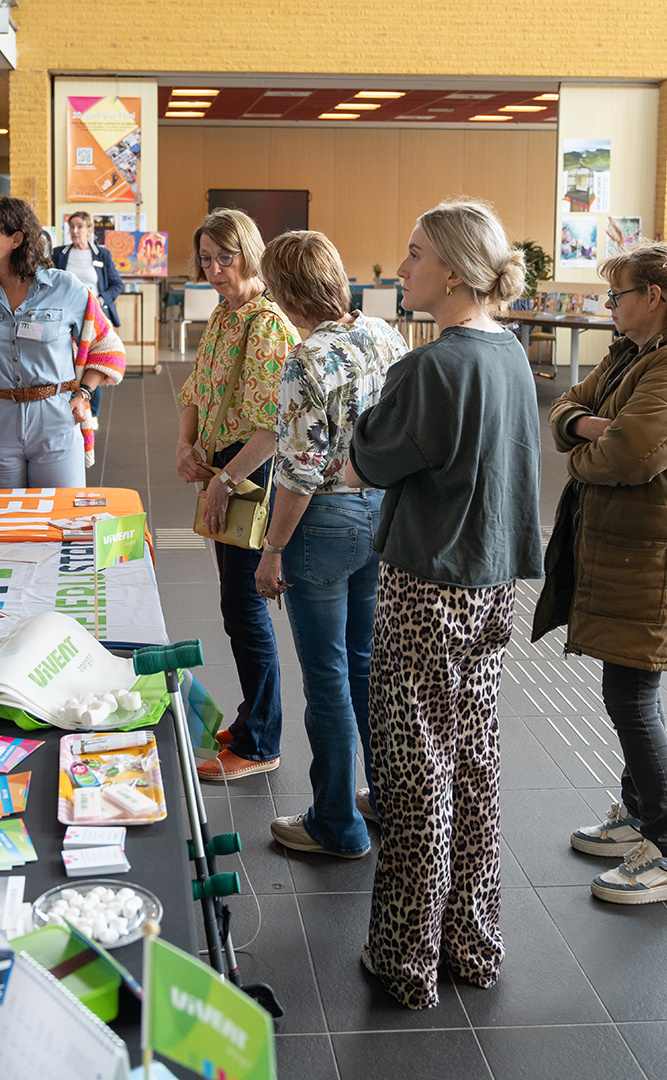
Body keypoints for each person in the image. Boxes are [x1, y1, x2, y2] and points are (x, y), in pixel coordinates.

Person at [344, 199, 542, 1010]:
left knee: (414, 771)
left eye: (417, 252)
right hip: (493, 580)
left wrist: (362, 406)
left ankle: (405, 958)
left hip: (428, 584)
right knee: (474, 760)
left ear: (455, 272)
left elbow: (368, 461)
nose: (402, 265)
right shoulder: (512, 355)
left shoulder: (432, 366)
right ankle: (473, 942)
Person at [542, 244, 667, 907]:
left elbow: (627, 457)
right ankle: (636, 819)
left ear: (653, 296)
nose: (609, 307)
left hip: (663, 563)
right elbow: (566, 410)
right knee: (628, 689)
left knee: (631, 699)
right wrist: (590, 425)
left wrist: (585, 447)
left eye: (616, 296)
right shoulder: (634, 355)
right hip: (637, 556)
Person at [251, 230, 408, 859]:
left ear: (286, 289)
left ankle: (336, 823)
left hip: (322, 524)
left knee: (327, 679)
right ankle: (389, 800)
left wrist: (270, 553)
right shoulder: (386, 336)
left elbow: (298, 470)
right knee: (368, 666)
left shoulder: (305, 359)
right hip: (379, 513)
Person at [175, 208, 300, 782]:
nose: (215, 269)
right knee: (233, 601)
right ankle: (254, 718)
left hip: (254, 471)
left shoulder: (269, 324)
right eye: (205, 259)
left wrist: (226, 480)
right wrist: (186, 444)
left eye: (225, 257)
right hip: (225, 465)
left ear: (249, 252)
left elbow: (272, 427)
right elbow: (196, 388)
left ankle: (260, 742)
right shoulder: (224, 317)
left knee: (246, 605)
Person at [0, 196, 124, 488]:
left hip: (56, 420)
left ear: (16, 239)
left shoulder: (66, 288)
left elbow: (107, 346)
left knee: (59, 522)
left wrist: (84, 394)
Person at [51, 212, 125, 417]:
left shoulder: (102, 254)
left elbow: (116, 284)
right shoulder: (59, 254)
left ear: (89, 230)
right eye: (71, 226)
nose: (75, 231)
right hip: (65, 317)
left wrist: (99, 302)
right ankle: (69, 406)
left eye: (80, 226)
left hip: (95, 317)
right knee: (68, 362)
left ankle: (92, 413)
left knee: (95, 362)